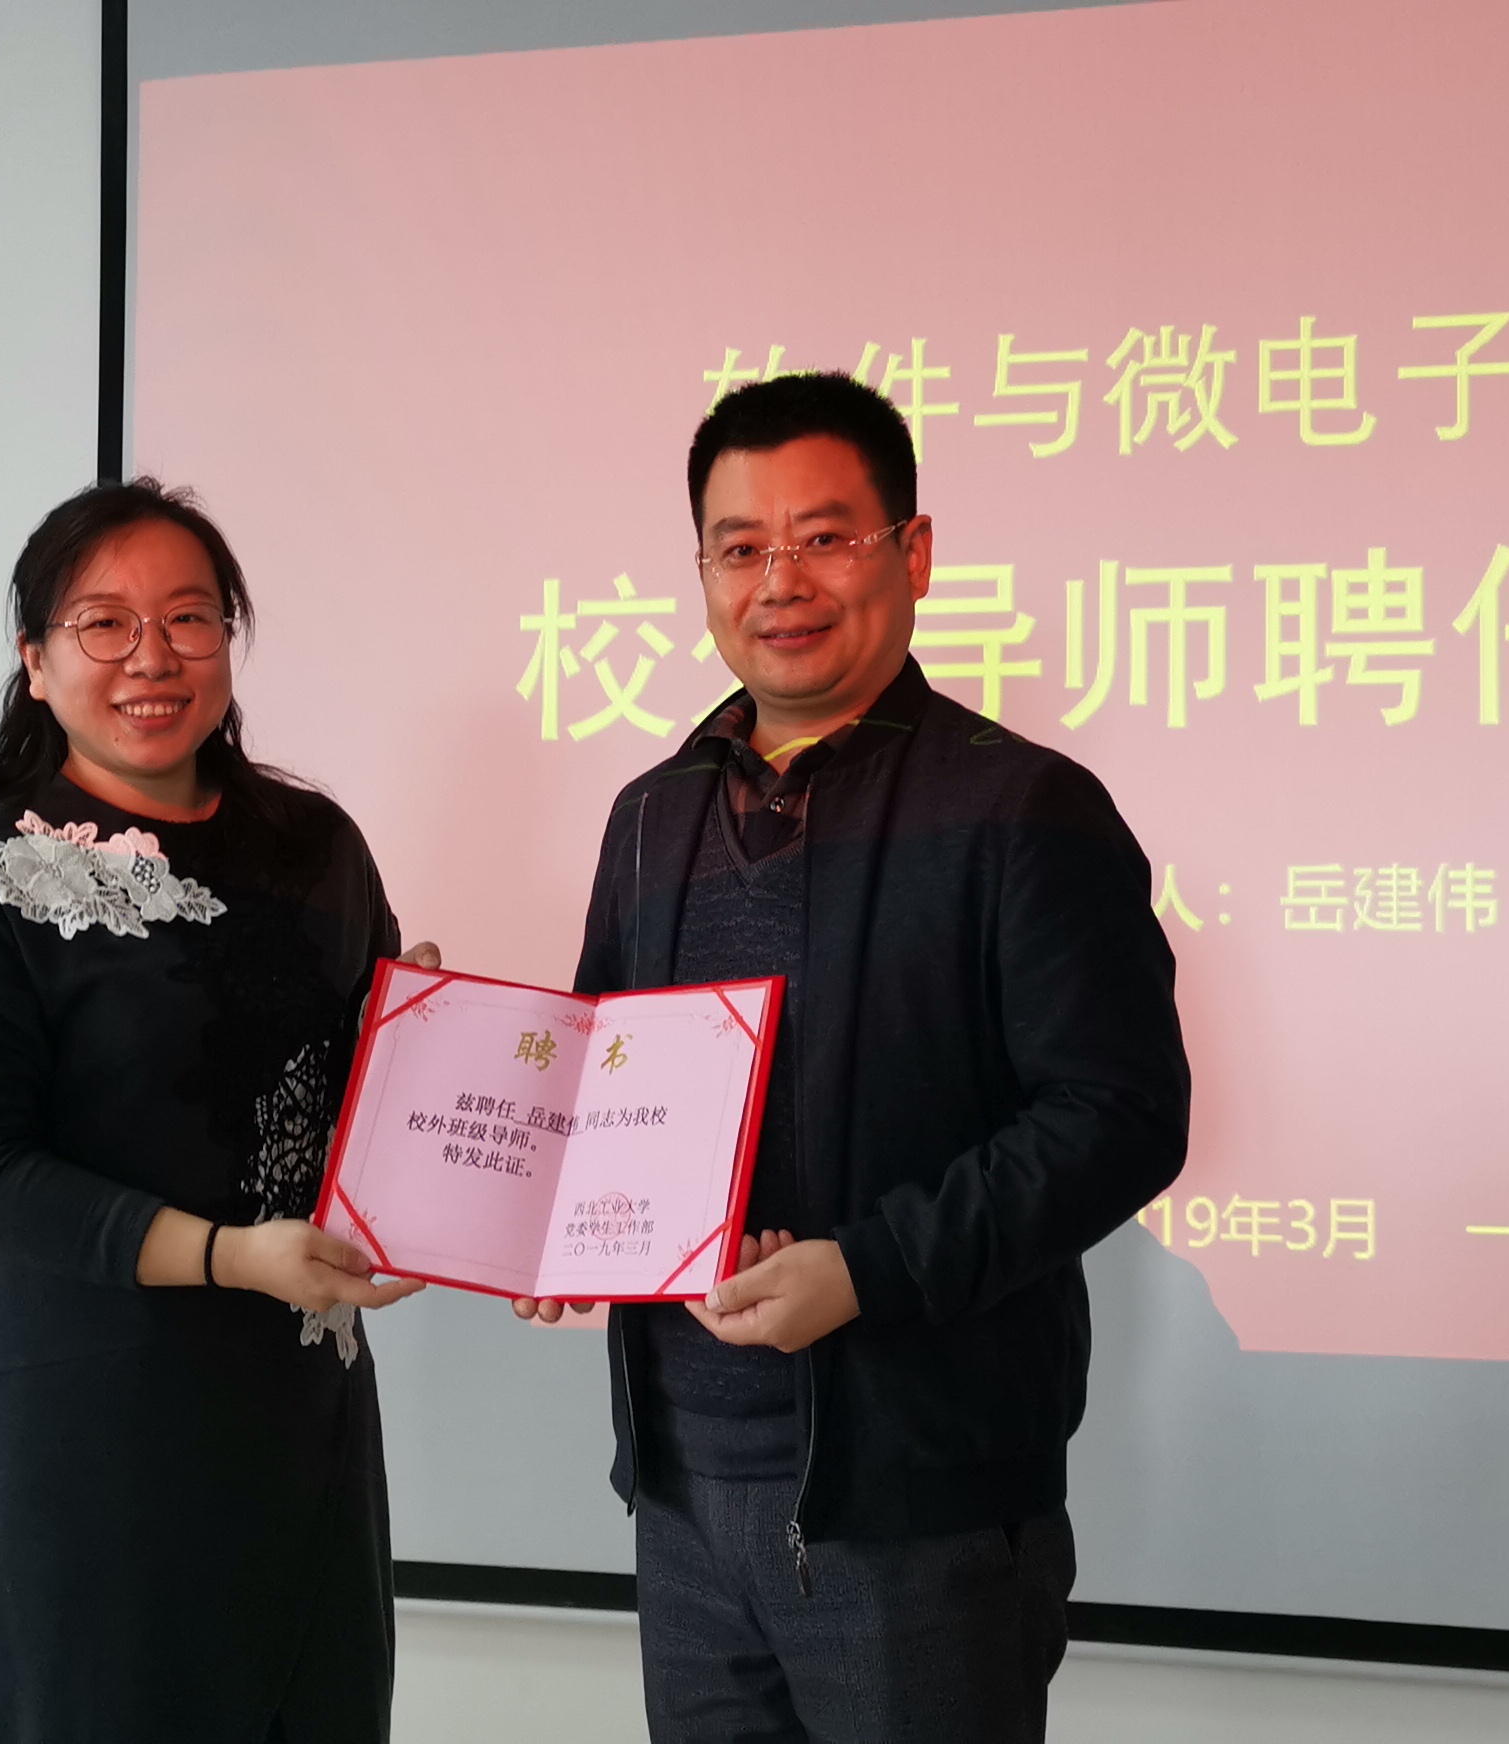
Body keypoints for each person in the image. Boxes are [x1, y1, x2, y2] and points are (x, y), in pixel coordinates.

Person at [513, 374, 1191, 1743]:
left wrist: (866, 1269)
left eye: (826, 537)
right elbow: (601, 1081)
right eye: (740, 546)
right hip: (685, 1494)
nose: (781, 580)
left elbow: (1121, 1114)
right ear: (704, 572)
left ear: (914, 553)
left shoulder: (1022, 808)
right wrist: (536, 1207)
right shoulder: (650, 816)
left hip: (918, 1517)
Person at [0, 479, 428, 1744]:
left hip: (303, 1421)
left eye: (188, 618)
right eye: (105, 624)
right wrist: (232, 1256)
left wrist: (430, 1049)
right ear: (35, 658)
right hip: (98, 1433)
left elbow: (368, 1085)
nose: (153, 657)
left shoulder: (315, 844)